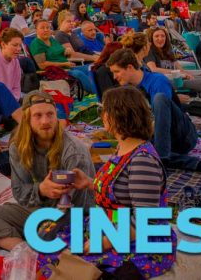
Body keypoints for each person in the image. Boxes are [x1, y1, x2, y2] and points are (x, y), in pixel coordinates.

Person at [35, 85, 176, 279]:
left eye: (105, 111)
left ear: (118, 116)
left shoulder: (143, 161)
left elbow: (146, 221)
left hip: (135, 237)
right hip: (111, 223)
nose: (103, 116)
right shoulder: (124, 147)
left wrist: (103, 243)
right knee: (46, 235)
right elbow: (121, 189)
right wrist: (89, 183)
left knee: (62, 259)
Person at [0, 91, 94, 251]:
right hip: (40, 209)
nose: (45, 121)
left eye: (50, 114)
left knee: (44, 235)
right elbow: (20, 192)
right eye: (38, 115)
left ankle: (37, 244)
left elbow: (70, 207)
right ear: (27, 119)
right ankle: (24, 251)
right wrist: (41, 190)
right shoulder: (19, 147)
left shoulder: (73, 151)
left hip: (74, 216)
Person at [108, 49, 201, 174]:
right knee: (132, 153)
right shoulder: (127, 90)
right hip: (159, 140)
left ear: (129, 67)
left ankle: (162, 157)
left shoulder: (157, 80)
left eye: (117, 71)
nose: (114, 77)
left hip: (181, 134)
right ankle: (180, 161)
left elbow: (161, 118)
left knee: (159, 98)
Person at [0, 28, 24, 100]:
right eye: (15, 45)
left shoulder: (15, 61)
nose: (19, 49)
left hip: (10, 101)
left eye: (20, 45)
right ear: (3, 44)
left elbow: (16, 87)